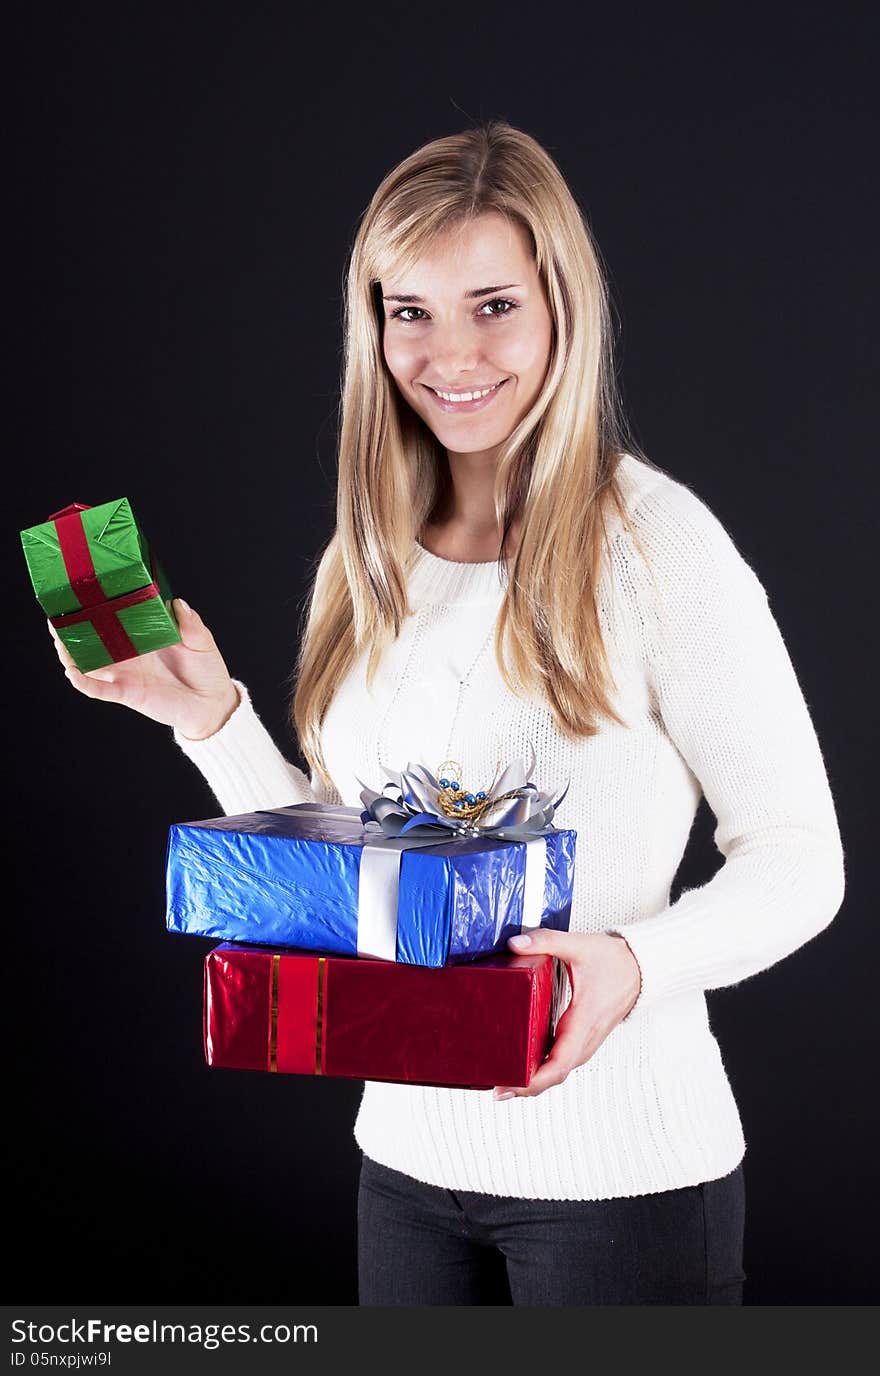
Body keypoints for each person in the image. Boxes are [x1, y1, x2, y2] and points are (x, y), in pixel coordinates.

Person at [47, 120, 846, 1305]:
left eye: (492, 305)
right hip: (405, 1165)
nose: (450, 353)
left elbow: (801, 861)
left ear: (560, 310)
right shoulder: (363, 560)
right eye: (409, 311)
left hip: (623, 1182)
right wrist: (209, 719)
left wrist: (634, 963)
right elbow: (357, 882)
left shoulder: (657, 544)